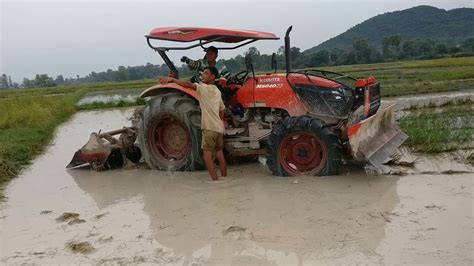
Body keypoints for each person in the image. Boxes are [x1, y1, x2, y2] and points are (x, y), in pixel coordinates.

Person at [159, 66, 227, 181]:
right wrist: (219, 122)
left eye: (205, 73)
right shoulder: (217, 91)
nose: (203, 75)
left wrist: (173, 80)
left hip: (209, 128)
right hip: (219, 128)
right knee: (220, 154)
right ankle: (225, 178)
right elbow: (222, 110)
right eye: (203, 73)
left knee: (207, 157)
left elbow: (188, 85)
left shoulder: (203, 88)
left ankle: (216, 182)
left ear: (212, 77)